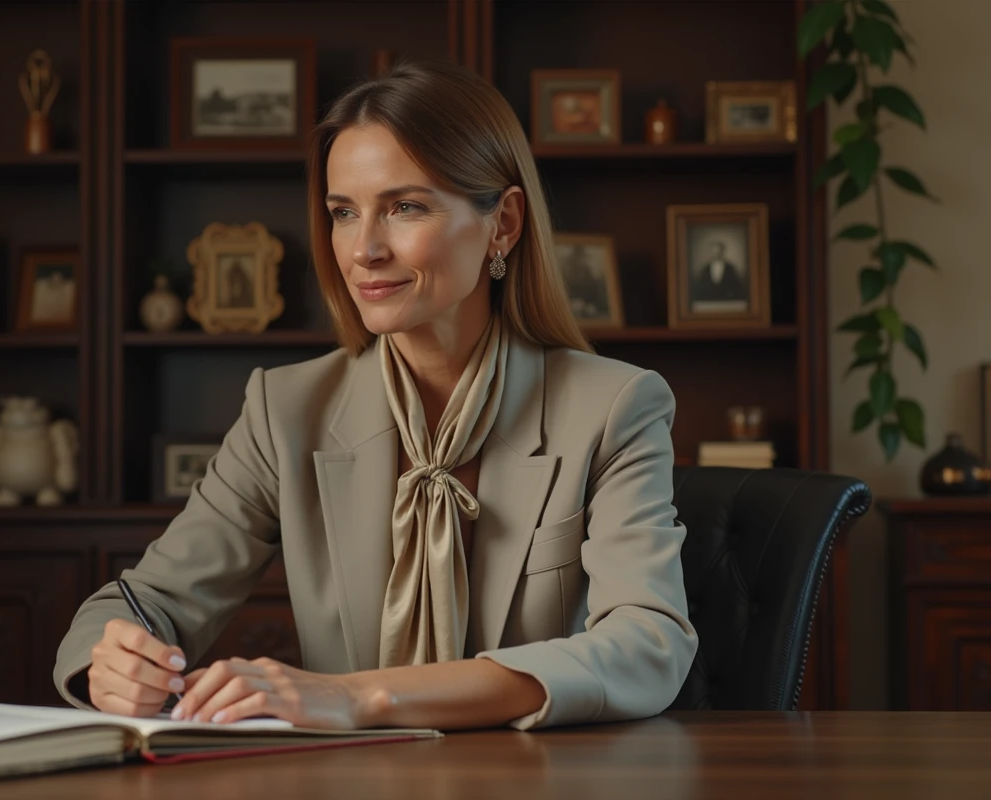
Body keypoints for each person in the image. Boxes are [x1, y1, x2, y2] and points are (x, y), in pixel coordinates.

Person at [54, 59, 697, 732]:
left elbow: (647, 645)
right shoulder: (287, 410)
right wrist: (114, 661)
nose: (363, 249)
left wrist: (365, 696)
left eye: (405, 207)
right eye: (343, 213)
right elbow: (145, 600)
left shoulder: (616, 406)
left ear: (503, 223)